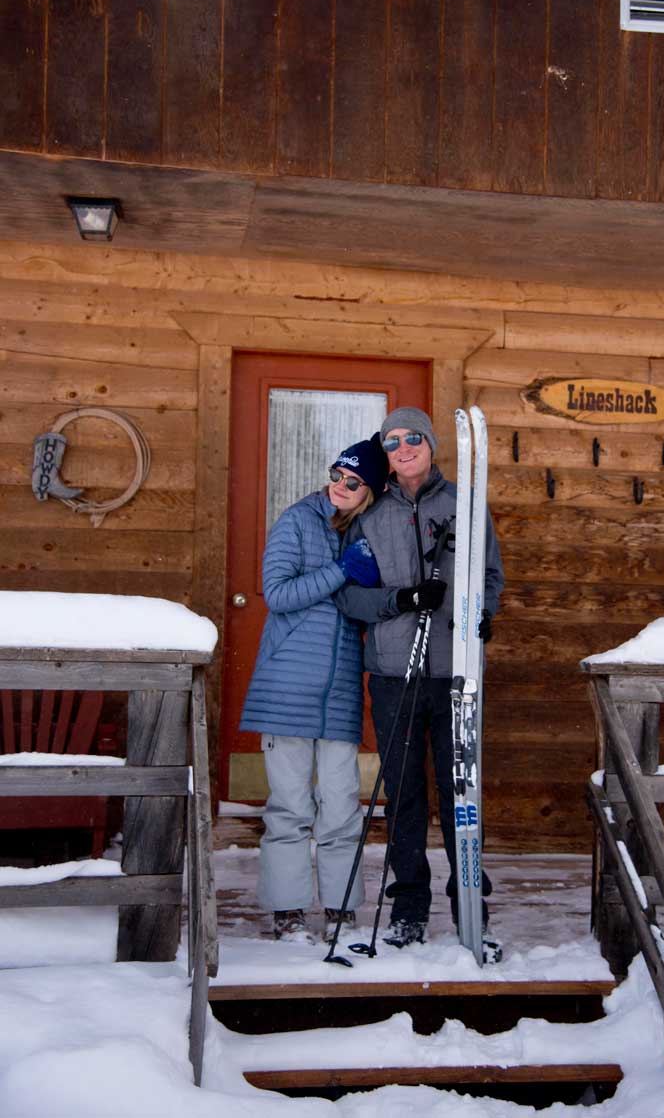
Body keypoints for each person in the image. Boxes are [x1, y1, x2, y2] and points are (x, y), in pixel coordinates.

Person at [336, 406, 505, 962]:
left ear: (432, 445)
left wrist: (484, 613)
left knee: (462, 793)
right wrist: (402, 599)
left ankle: (469, 906)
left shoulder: (464, 504)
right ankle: (408, 905)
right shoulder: (369, 513)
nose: (403, 447)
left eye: (413, 438)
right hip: (393, 673)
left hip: (457, 674)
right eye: (392, 441)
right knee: (404, 792)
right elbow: (349, 596)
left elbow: (491, 576)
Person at [239, 433, 388, 944]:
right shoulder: (297, 520)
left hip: (341, 689)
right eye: (335, 474)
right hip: (286, 688)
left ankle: (343, 909)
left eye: (353, 481)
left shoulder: (367, 530)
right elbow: (277, 594)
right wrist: (339, 571)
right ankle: (288, 911)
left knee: (343, 806)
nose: (339, 486)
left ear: (371, 491)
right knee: (289, 809)